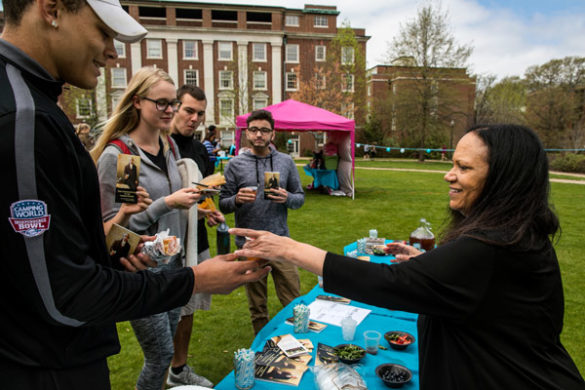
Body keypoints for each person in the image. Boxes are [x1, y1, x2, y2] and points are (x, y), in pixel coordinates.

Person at [0, 1, 270, 387]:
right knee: (159, 354)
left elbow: (73, 244)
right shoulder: (27, 119)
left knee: (167, 352)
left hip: (123, 300)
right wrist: (195, 279)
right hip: (50, 365)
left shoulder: (39, 106)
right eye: (103, 32)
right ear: (52, 9)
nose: (111, 52)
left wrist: (122, 249)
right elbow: (65, 294)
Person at [232, 124, 585, 389]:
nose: (449, 175)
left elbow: (390, 283)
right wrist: (426, 261)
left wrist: (288, 247)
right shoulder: (514, 234)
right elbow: (479, 288)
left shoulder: (493, 245)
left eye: (464, 168)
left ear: (503, 179)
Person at [92, 67, 201, 390]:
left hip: (171, 267)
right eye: (162, 103)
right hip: (139, 273)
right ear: (138, 102)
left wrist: (202, 210)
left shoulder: (169, 147)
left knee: (166, 350)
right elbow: (110, 233)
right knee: (160, 354)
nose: (170, 110)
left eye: (173, 103)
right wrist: (164, 203)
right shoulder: (120, 155)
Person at [219, 109, 305, 334]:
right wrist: (236, 200)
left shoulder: (285, 162)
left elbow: (300, 198)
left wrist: (287, 198)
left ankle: (301, 342)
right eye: (254, 130)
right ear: (247, 133)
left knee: (294, 300)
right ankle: (262, 349)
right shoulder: (234, 165)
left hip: (280, 240)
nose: (259, 135)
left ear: (272, 134)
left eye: (264, 130)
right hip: (250, 244)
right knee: (257, 306)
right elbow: (223, 204)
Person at [168, 84, 224, 388]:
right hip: (166, 242)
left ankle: (179, 368)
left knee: (188, 307)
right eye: (189, 110)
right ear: (175, 107)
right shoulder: (161, 144)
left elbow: (201, 193)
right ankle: (161, 366)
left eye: (200, 113)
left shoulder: (201, 149)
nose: (194, 118)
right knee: (164, 310)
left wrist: (209, 210)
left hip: (195, 240)